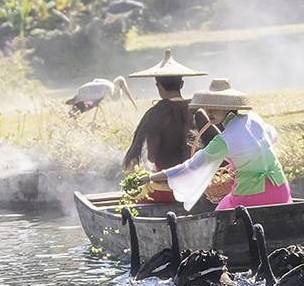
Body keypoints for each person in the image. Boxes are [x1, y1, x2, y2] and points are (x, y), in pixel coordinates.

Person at [139, 77, 291, 211]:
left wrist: (152, 177)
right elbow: (271, 136)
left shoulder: (224, 139)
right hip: (281, 189)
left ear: (227, 106)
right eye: (207, 107)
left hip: (250, 195)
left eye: (214, 107)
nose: (208, 112)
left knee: (221, 213)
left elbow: (192, 166)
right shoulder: (254, 118)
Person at [123, 49, 208, 204]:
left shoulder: (154, 114)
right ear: (182, 84)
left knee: (133, 199)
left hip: (167, 189)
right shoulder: (198, 111)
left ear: (158, 86)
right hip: (197, 185)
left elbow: (152, 157)